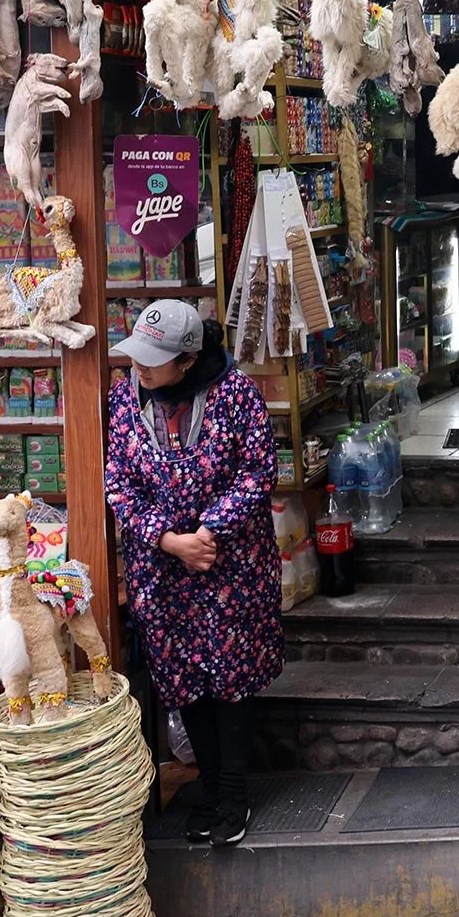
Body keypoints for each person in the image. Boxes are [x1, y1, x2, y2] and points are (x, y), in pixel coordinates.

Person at [105, 300, 282, 848]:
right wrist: (169, 541)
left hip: (229, 565)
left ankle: (233, 794)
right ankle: (207, 786)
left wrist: (207, 532)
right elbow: (118, 481)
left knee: (230, 675)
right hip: (162, 570)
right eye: (136, 357)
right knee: (183, 679)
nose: (140, 369)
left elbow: (258, 472)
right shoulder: (125, 398)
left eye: (152, 361)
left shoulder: (235, 395)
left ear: (187, 359)